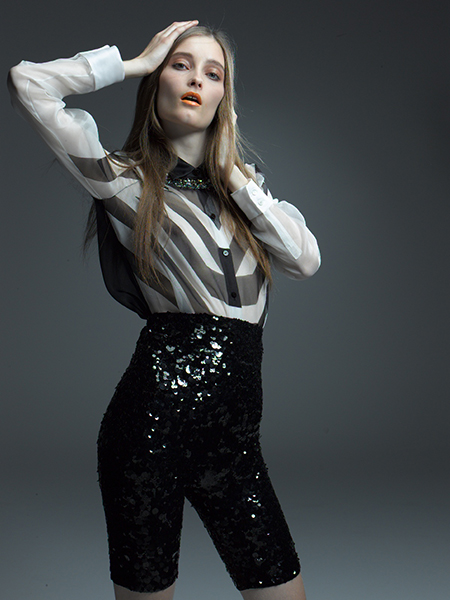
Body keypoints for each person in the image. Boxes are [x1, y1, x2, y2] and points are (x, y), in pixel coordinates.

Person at [8, 20, 320, 600]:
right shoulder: (120, 180)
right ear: (157, 82)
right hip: (148, 432)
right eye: (180, 66)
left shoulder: (248, 191)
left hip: (235, 444)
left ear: (225, 97)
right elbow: (29, 82)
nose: (196, 80)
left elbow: (305, 260)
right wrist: (129, 64)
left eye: (213, 73)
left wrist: (231, 172)